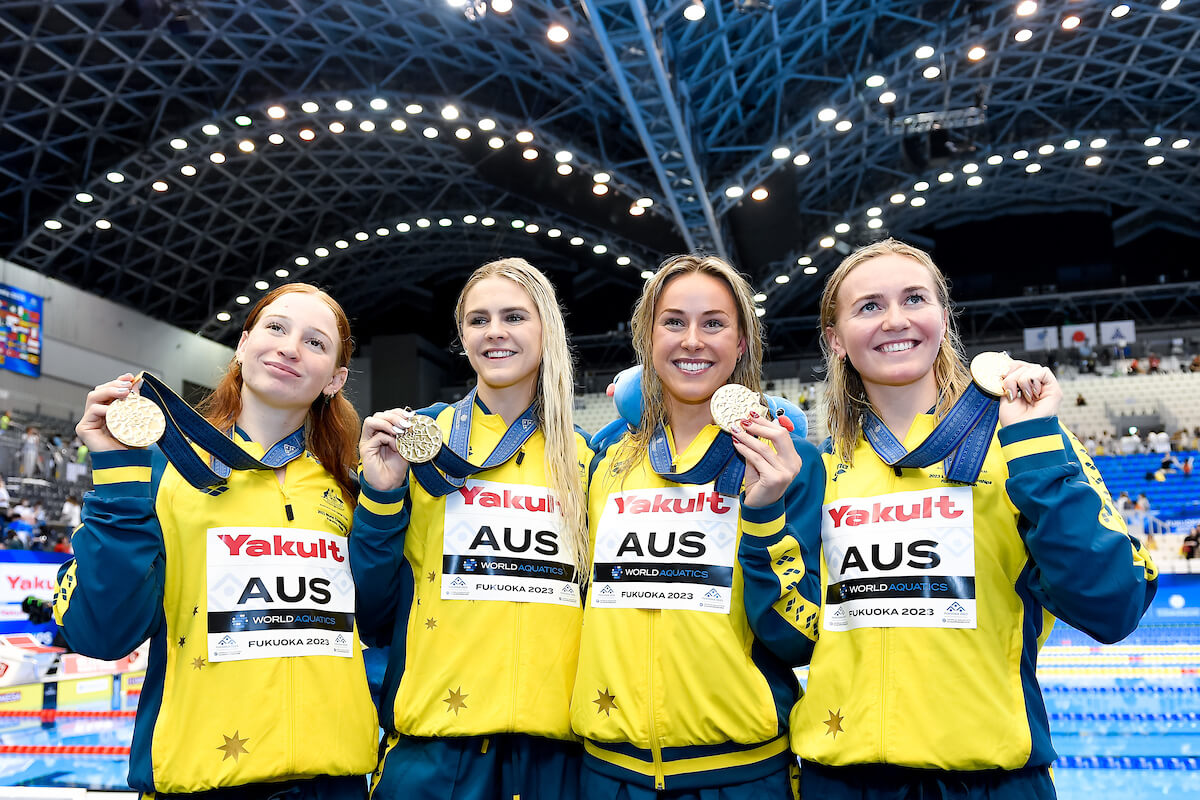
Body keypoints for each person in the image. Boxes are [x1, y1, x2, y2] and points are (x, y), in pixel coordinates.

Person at [784, 238, 1157, 798]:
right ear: (835, 340)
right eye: (869, 306)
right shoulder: (822, 468)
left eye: (915, 299)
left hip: (989, 782)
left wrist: (1033, 448)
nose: (895, 320)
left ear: (942, 316)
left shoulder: (1023, 440)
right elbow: (796, 625)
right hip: (838, 780)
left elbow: (1114, 606)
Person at [53, 283, 378, 797]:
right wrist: (117, 471)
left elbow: (377, 627)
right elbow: (101, 635)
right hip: (201, 780)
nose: (291, 347)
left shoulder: (353, 487)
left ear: (335, 379)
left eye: (315, 343)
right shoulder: (162, 467)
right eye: (276, 327)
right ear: (243, 345)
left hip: (331, 783)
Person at [573, 254, 825, 798]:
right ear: (649, 338)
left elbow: (796, 639)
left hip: (740, 774)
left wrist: (762, 516)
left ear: (740, 344)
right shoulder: (606, 464)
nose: (692, 340)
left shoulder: (785, 464)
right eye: (673, 322)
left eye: (713, 323)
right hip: (608, 773)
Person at [350, 258, 591, 800]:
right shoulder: (417, 440)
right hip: (435, 750)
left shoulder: (585, 457)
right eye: (478, 320)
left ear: (546, 328)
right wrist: (382, 495)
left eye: (513, 316)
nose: (495, 332)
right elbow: (370, 607)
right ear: (462, 337)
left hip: (556, 754)